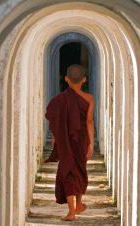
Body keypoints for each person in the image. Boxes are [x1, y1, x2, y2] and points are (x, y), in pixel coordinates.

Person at [45, 64, 94, 221]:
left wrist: (55, 137)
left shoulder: (59, 100)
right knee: (79, 170)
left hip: (66, 139)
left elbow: (54, 120)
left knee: (67, 171)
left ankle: (72, 211)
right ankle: (78, 205)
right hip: (82, 139)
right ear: (84, 80)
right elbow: (89, 121)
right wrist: (91, 143)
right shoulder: (89, 99)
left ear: (66, 79)